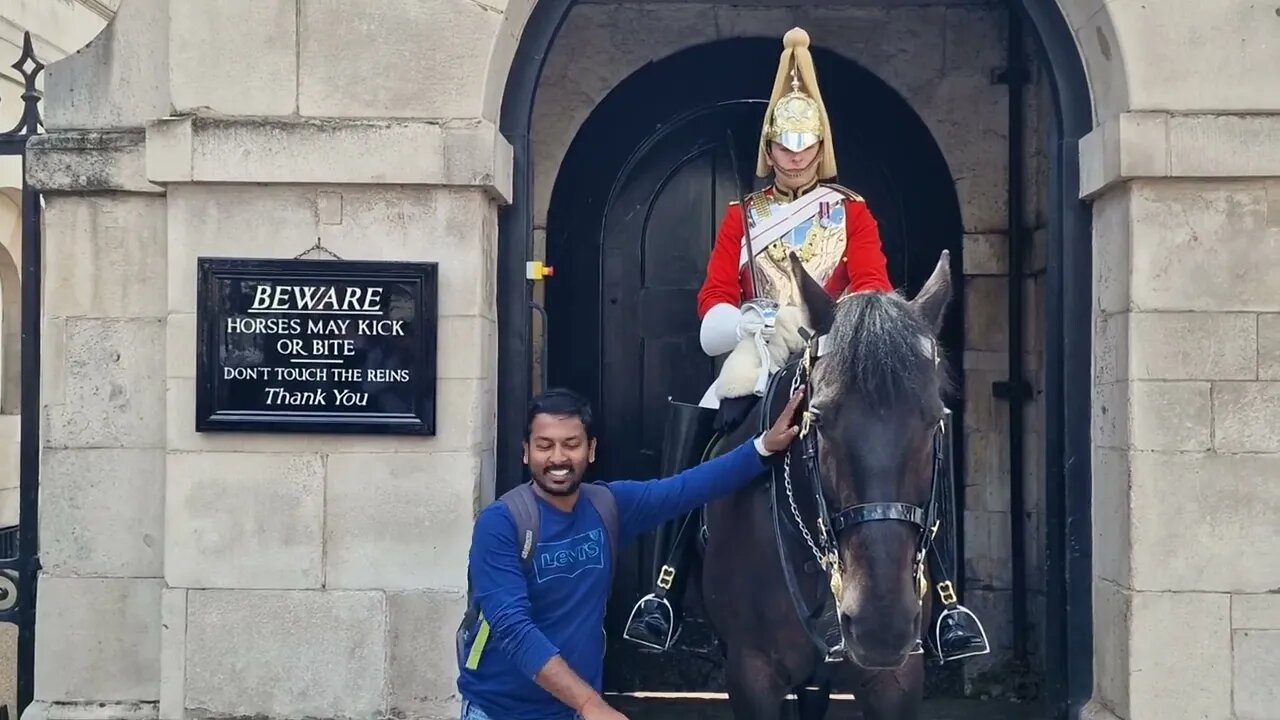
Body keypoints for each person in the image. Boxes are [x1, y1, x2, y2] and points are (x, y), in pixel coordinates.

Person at [622, 26, 990, 665]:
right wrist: (744, 322)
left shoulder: (852, 213)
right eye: (784, 141)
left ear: (821, 145)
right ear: (770, 146)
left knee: (918, 434)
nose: (794, 153)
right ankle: (665, 587)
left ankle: (950, 601)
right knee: (703, 430)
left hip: (832, 351)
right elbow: (712, 297)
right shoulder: (743, 215)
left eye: (805, 140)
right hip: (757, 354)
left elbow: (873, 285)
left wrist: (837, 324)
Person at [455, 387, 805, 720]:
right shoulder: (501, 523)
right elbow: (514, 629)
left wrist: (762, 447)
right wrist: (591, 703)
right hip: (501, 711)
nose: (558, 458)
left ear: (590, 450)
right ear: (526, 452)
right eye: (544, 445)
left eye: (571, 444)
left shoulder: (608, 505)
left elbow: (686, 488)